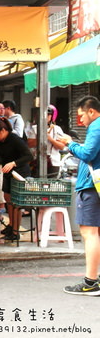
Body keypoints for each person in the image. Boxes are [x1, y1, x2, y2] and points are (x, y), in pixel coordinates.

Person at [59, 96, 100, 296]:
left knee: (89, 233)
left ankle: (91, 282)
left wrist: (70, 143)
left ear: (91, 112)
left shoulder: (97, 126)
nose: (79, 120)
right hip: (95, 185)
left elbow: (88, 154)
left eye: (82, 115)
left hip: (92, 186)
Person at [46, 105, 66, 177]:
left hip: (53, 162)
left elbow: (61, 146)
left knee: (51, 185)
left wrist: (50, 139)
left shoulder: (56, 129)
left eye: (48, 115)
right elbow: (29, 144)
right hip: (37, 162)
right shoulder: (34, 128)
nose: (45, 117)